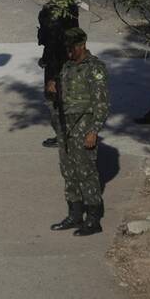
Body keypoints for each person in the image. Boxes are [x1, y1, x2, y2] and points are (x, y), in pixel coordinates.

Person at [50, 27, 109, 236]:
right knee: (69, 172)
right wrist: (54, 89)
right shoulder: (67, 67)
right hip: (66, 129)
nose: (68, 53)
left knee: (87, 173)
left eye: (71, 48)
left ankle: (93, 219)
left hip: (84, 128)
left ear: (81, 45)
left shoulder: (95, 68)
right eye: (66, 49)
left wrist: (94, 131)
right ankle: (74, 215)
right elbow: (64, 99)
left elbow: (101, 104)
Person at [39, 2, 79, 147]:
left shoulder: (53, 15)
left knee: (55, 102)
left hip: (57, 66)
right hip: (70, 62)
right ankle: (68, 135)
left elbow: (52, 44)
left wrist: (50, 74)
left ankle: (64, 137)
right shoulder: (71, 8)